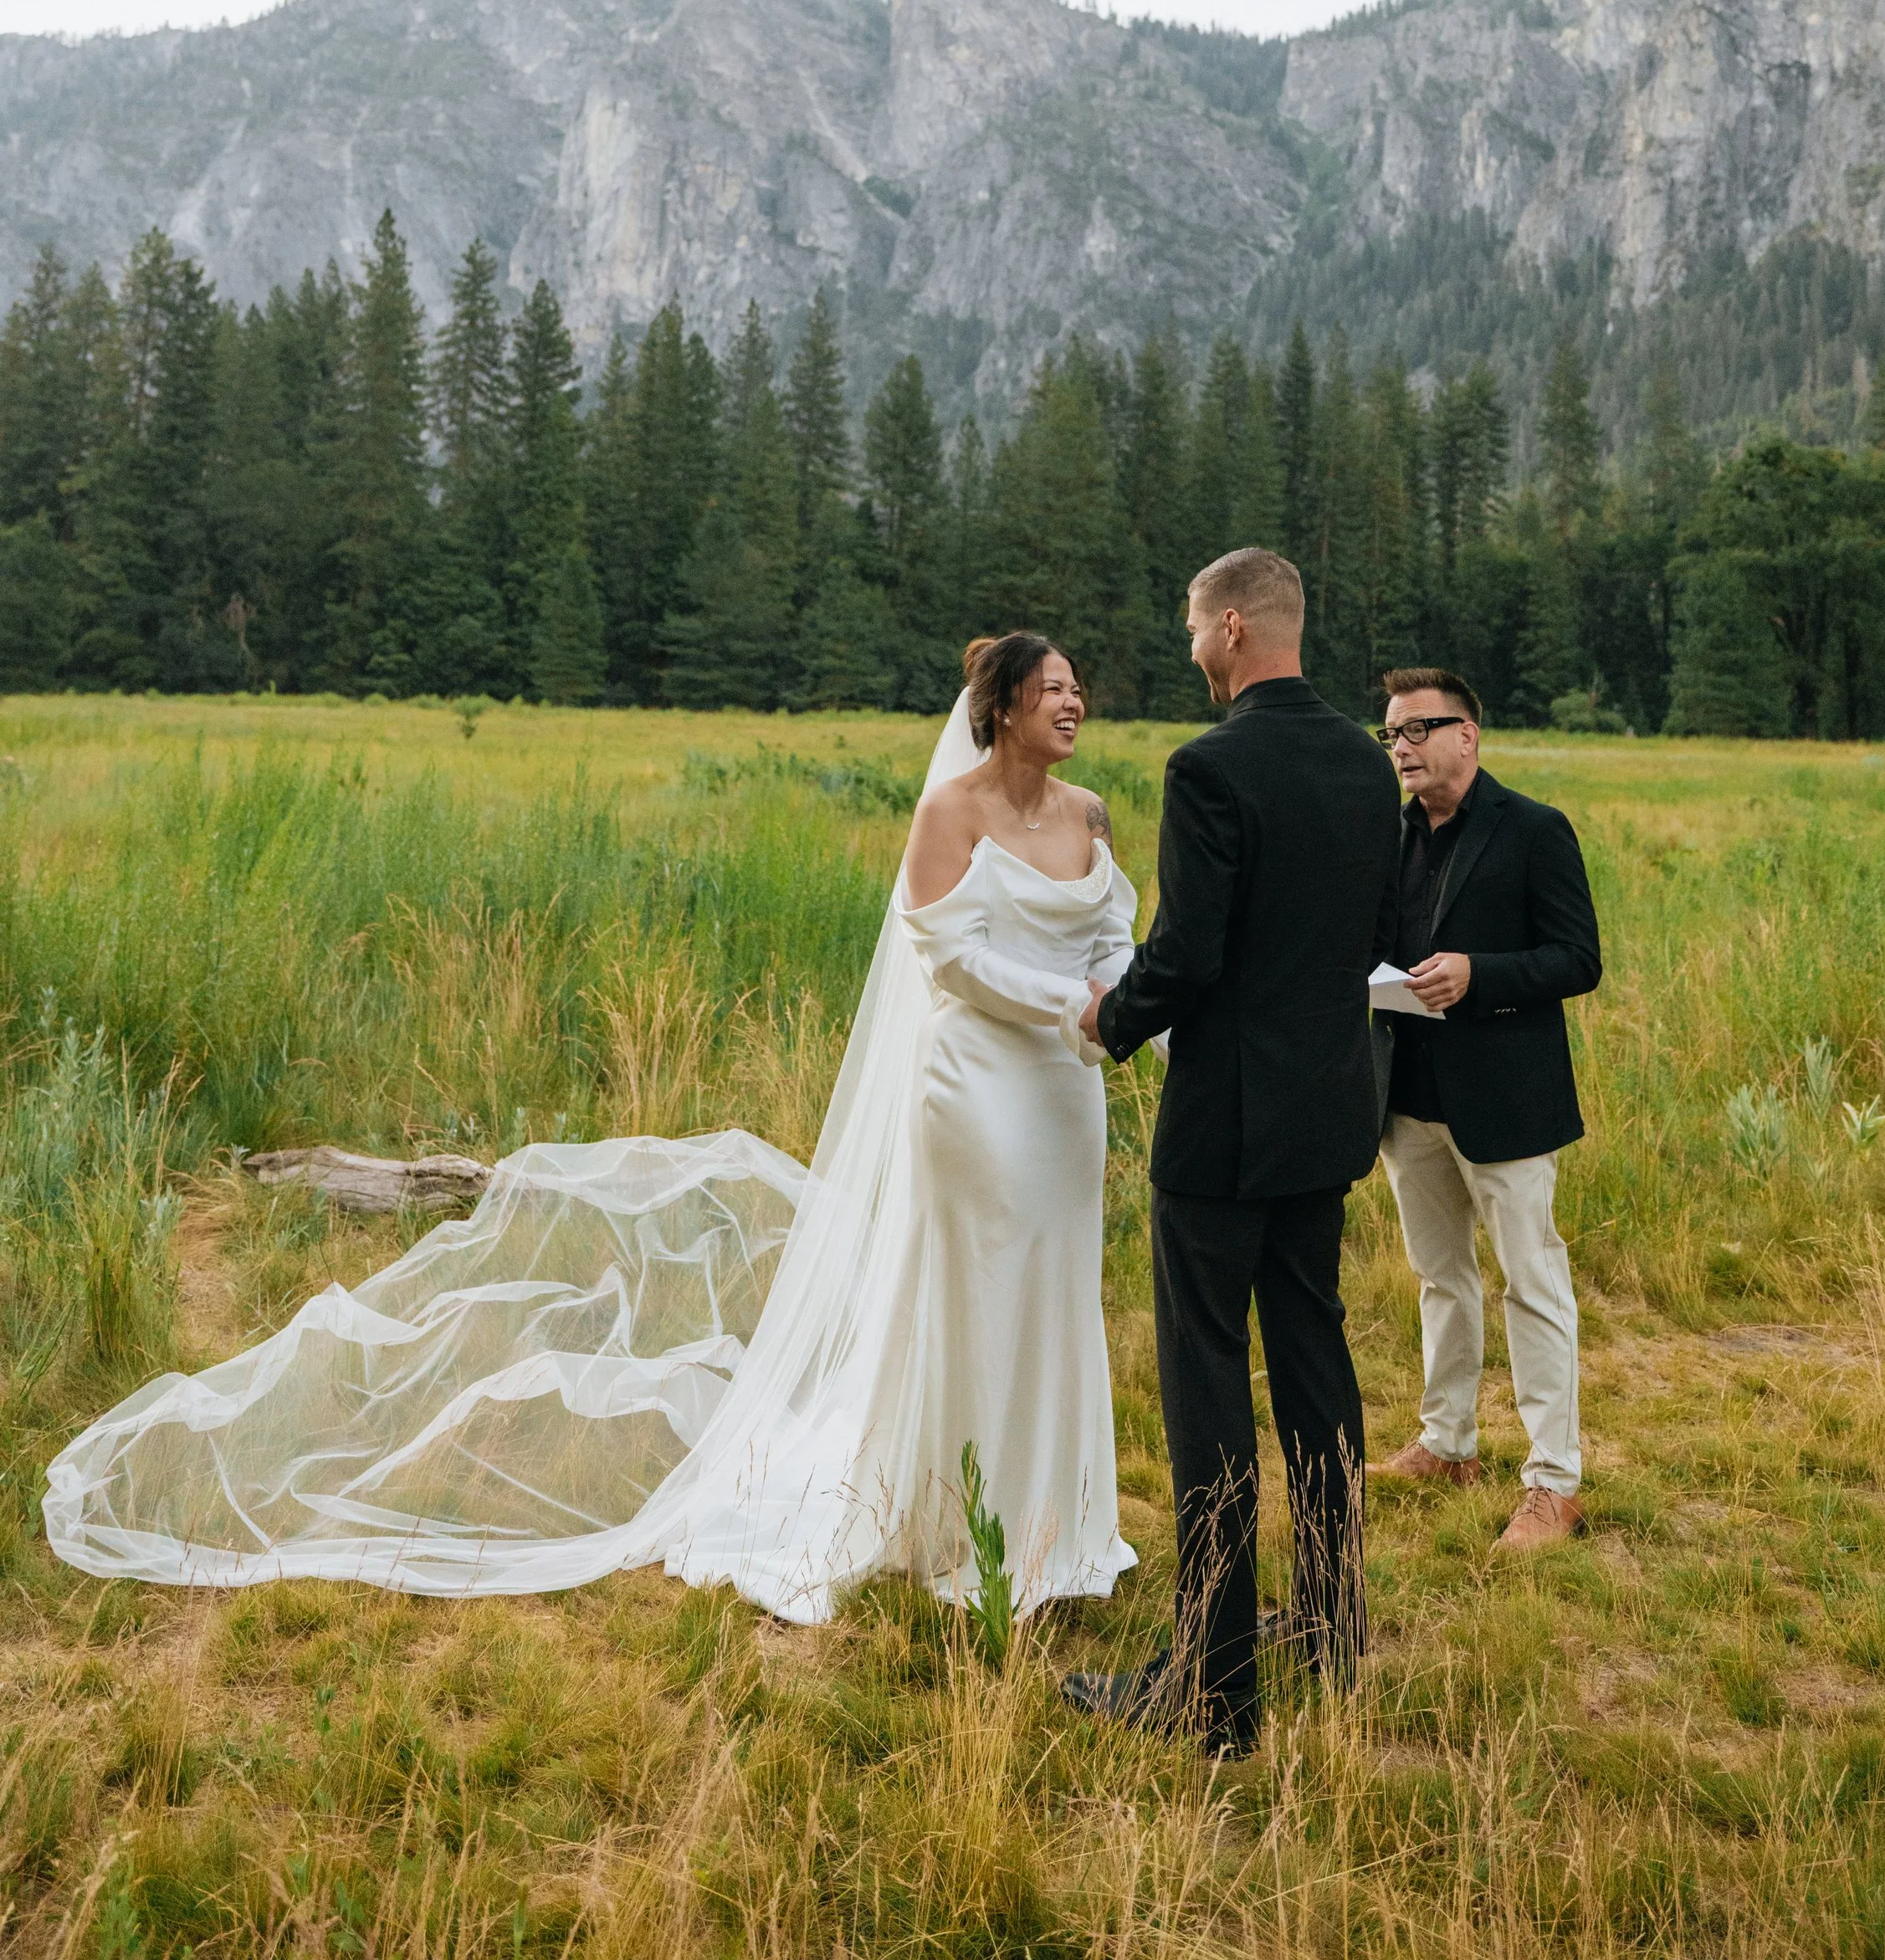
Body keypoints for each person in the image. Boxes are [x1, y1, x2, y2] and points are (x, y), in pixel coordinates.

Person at [45, 635, 1140, 1629]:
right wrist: (1072, 1007)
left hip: (1063, 1093)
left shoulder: (1088, 815)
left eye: (1078, 688)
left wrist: (1130, 1014)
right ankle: (953, 1515)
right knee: (974, 1281)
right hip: (974, 1092)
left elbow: (1112, 936)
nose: (1074, 702)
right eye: (1052, 688)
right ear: (1001, 707)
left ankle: (1056, 1514)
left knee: (1055, 1280)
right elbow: (949, 959)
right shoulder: (949, 812)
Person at [1063, 548, 1401, 1757]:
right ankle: (1329, 1624)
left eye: (1197, 627)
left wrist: (1112, 1017)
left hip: (1222, 1130)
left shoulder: (1208, 767)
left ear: (1239, 628)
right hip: (1328, 1116)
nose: (1194, 646)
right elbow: (1378, 928)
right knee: (1316, 1369)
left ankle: (1212, 1691)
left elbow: (1189, 951)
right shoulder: (1366, 763)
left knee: (1206, 1387)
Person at [1367, 668, 1601, 1552]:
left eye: (1417, 730)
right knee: (1439, 1278)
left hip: (1506, 1101)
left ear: (1467, 734)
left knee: (1531, 1283)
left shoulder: (1534, 829)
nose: (1401, 748)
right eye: (1390, 734)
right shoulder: (1386, 834)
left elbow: (1578, 958)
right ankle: (1448, 1444)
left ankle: (1553, 1484)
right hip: (1408, 1097)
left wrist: (1480, 974)